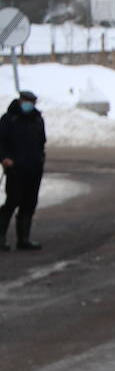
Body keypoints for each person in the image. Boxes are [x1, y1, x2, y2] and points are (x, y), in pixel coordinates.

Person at [0, 90, 46, 251]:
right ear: (20, 100)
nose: (28, 104)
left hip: (33, 169)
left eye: (31, 102)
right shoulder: (9, 119)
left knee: (29, 204)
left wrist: (40, 160)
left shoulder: (37, 119)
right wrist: (4, 158)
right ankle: (1, 238)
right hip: (15, 169)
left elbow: (41, 142)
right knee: (12, 202)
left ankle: (23, 239)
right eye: (26, 101)